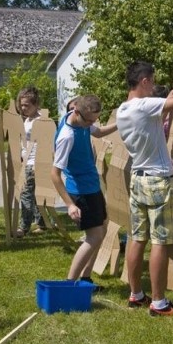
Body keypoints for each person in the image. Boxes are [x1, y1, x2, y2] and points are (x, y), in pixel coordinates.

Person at [116, 61, 173, 317]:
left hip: (137, 179)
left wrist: (168, 100)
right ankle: (159, 303)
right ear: (144, 81)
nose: (154, 86)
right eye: (152, 81)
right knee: (160, 241)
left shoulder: (123, 109)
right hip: (158, 181)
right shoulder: (146, 105)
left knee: (137, 238)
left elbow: (152, 120)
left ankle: (136, 294)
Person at [51, 94, 117, 286]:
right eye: (88, 121)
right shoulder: (67, 136)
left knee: (102, 229)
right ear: (77, 112)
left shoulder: (82, 121)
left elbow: (99, 132)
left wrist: (120, 123)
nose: (91, 124)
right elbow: (55, 174)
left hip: (92, 186)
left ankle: (86, 279)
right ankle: (69, 284)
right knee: (94, 236)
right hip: (81, 191)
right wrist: (70, 205)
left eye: (94, 120)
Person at [17, 86, 48, 236]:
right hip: (27, 161)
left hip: (35, 162)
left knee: (26, 194)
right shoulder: (28, 119)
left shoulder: (40, 119)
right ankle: (42, 224)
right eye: (21, 105)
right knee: (35, 195)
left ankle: (23, 227)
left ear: (36, 104)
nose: (23, 108)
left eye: (27, 105)